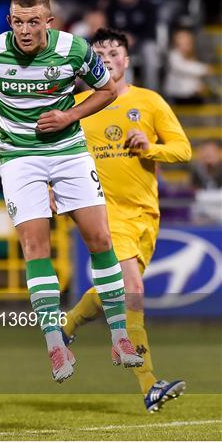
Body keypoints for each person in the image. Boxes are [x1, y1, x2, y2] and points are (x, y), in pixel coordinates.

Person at [0, 0, 143, 384]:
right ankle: (55, 345)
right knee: (35, 247)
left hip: (68, 151)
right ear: (9, 20)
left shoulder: (74, 50)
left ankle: (119, 338)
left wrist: (69, 116)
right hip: (18, 157)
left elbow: (108, 89)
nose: (24, 30)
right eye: (17, 21)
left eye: (32, 22)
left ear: (49, 22)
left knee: (100, 240)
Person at [59, 28, 191, 411]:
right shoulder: (78, 106)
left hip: (146, 214)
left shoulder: (149, 102)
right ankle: (149, 384)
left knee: (115, 291)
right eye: (98, 53)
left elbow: (182, 149)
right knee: (133, 288)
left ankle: (67, 324)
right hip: (103, 211)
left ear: (126, 60)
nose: (106, 58)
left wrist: (151, 148)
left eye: (113, 52)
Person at [164, 27, 211, 103]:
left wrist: (198, 86)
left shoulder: (191, 56)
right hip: (177, 95)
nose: (185, 43)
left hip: (190, 94)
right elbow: (182, 68)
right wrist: (203, 69)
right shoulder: (173, 55)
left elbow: (193, 76)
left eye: (187, 41)